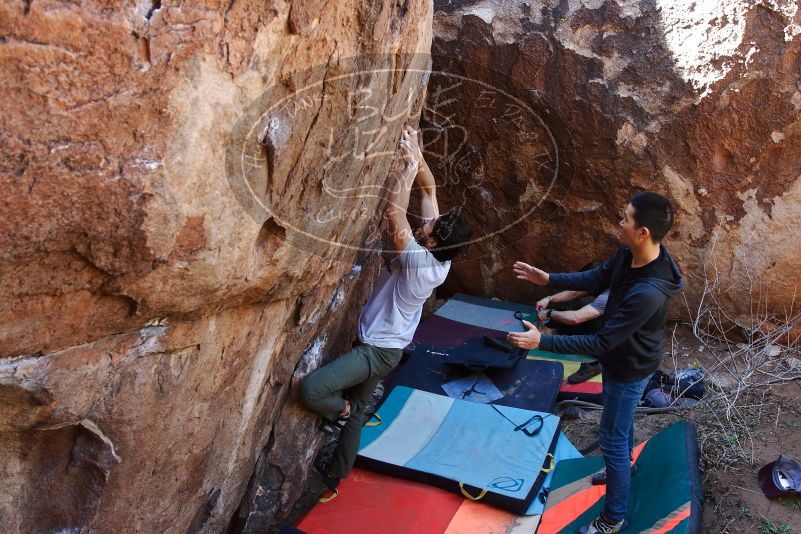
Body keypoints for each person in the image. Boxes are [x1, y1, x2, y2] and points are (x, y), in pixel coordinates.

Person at [299, 125, 472, 495]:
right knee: (361, 408)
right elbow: (430, 190)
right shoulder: (440, 254)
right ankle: (337, 471)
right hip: (389, 347)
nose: (427, 221)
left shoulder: (421, 264)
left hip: (376, 351)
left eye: (431, 225)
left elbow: (395, 213)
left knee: (313, 390)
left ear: (434, 241)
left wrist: (407, 168)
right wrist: (416, 154)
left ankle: (339, 412)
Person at [508, 192, 683, 534]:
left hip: (629, 368)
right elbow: (598, 277)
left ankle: (613, 518)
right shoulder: (629, 254)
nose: (620, 222)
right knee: (619, 425)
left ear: (643, 232)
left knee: (612, 438)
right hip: (622, 359)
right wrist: (549, 279)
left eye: (626, 218)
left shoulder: (647, 293)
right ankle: (625, 469)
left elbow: (601, 342)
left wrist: (541, 341)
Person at [536, 261, 608, 384]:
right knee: (580, 305)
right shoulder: (606, 281)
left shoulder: (608, 296)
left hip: (616, 345)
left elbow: (576, 317)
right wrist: (549, 299)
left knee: (582, 307)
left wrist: (548, 313)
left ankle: (601, 361)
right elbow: (574, 292)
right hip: (614, 336)